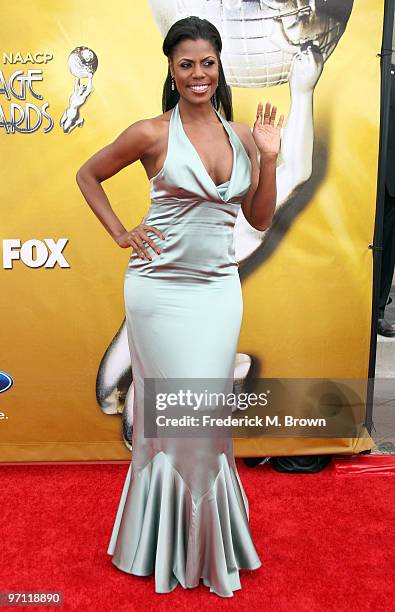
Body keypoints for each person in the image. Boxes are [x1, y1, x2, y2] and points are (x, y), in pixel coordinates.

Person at [76, 16, 284, 598]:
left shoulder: (245, 135)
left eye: (208, 63)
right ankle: (169, 544)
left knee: (205, 419)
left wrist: (268, 159)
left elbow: (261, 219)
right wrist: (121, 232)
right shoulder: (151, 133)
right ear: (171, 70)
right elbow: (89, 174)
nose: (198, 74)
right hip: (158, 292)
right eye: (186, 63)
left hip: (219, 292)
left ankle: (197, 542)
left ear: (221, 67)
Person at [378, 62, 395, 337]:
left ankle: (377, 309)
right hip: (363, 175)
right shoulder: (376, 69)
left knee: (388, 249)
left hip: (392, 182)